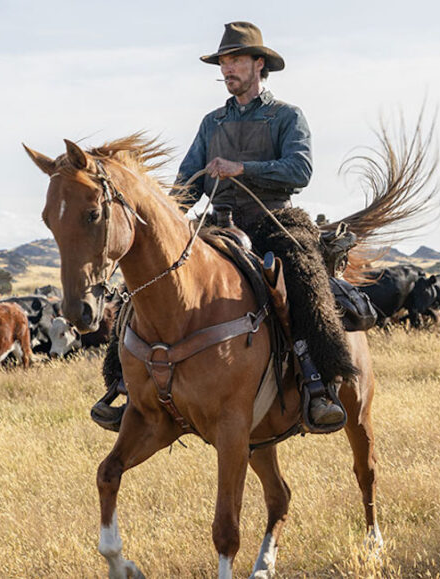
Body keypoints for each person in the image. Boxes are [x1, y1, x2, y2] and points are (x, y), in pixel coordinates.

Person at [90, 21, 346, 431]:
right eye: (223, 62)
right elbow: (186, 184)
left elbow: (300, 170)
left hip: (273, 219)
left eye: (236, 60)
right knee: (148, 280)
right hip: (217, 224)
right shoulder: (212, 123)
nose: (228, 69)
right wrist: (166, 222)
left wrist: (242, 168)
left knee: (303, 276)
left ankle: (319, 383)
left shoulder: (287, 116)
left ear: (259, 64)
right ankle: (124, 387)